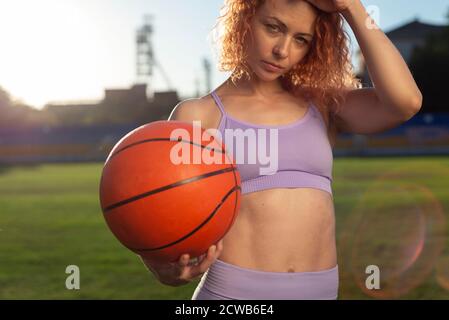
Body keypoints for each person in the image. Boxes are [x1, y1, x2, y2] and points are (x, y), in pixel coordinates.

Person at [141, 0, 423, 300]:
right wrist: (162, 267)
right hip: (233, 296)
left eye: (301, 39)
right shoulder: (198, 116)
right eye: (273, 28)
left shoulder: (322, 104)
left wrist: (352, 8)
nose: (282, 50)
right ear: (245, 19)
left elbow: (406, 103)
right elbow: (160, 213)